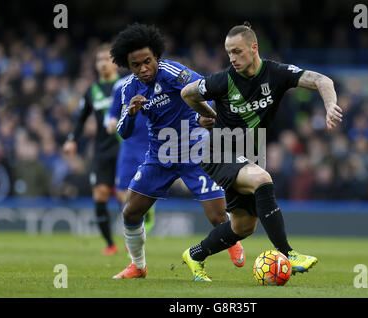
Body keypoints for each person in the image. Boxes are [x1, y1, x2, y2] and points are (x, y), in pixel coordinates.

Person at [180, 22, 343, 281]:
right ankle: (287, 253)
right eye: (228, 52)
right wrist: (209, 115)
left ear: (254, 47)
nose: (232, 58)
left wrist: (331, 105)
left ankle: (195, 254)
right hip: (218, 150)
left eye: (237, 51)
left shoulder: (276, 73)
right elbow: (187, 93)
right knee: (262, 179)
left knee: (243, 226)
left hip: (249, 154)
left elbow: (322, 80)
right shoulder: (223, 81)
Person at [110, 23, 245, 279]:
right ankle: (138, 266)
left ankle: (232, 238)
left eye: (147, 61)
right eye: (136, 65)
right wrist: (130, 113)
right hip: (160, 155)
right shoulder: (130, 88)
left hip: (196, 152)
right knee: (130, 211)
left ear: (156, 56)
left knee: (217, 217)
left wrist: (206, 117)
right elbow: (123, 132)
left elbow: (206, 90)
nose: (143, 68)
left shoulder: (174, 72)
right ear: (129, 66)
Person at [63, 43, 120, 255]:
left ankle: (131, 240)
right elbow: (80, 119)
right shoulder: (92, 91)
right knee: (100, 195)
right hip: (102, 149)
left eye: (107, 58)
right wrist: (72, 139)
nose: (103, 63)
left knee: (125, 197)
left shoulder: (124, 85)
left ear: (115, 62)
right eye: (99, 60)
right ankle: (110, 244)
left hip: (124, 148)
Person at [106, 76, 156, 234]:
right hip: (128, 144)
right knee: (121, 191)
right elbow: (112, 112)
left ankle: (144, 216)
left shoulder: (161, 80)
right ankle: (138, 220)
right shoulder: (121, 86)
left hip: (151, 143)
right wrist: (110, 121)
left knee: (146, 187)